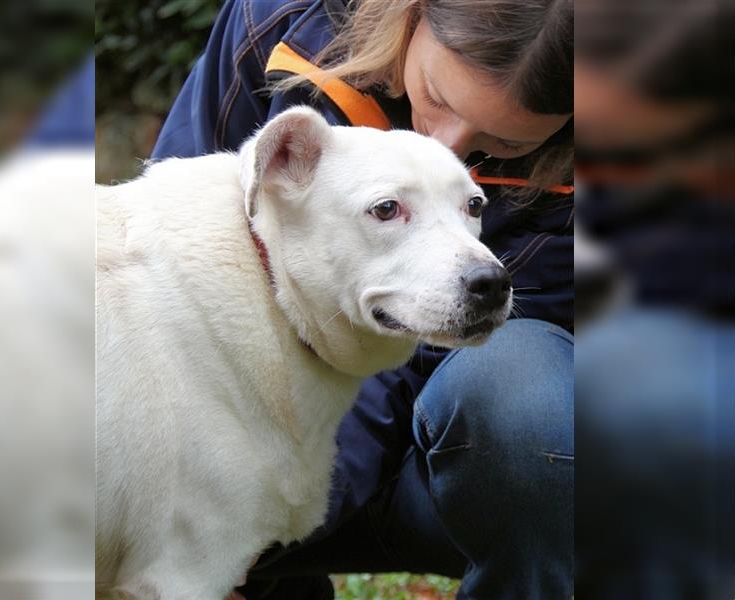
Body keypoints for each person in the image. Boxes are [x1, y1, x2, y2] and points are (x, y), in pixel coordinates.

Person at [151, 1, 574, 598]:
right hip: (245, 436)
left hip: (456, 468)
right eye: (439, 97)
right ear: (414, 14)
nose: (446, 142)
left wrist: (264, 518)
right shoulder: (283, 25)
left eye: (503, 142)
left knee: (523, 389)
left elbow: (414, 361)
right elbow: (179, 238)